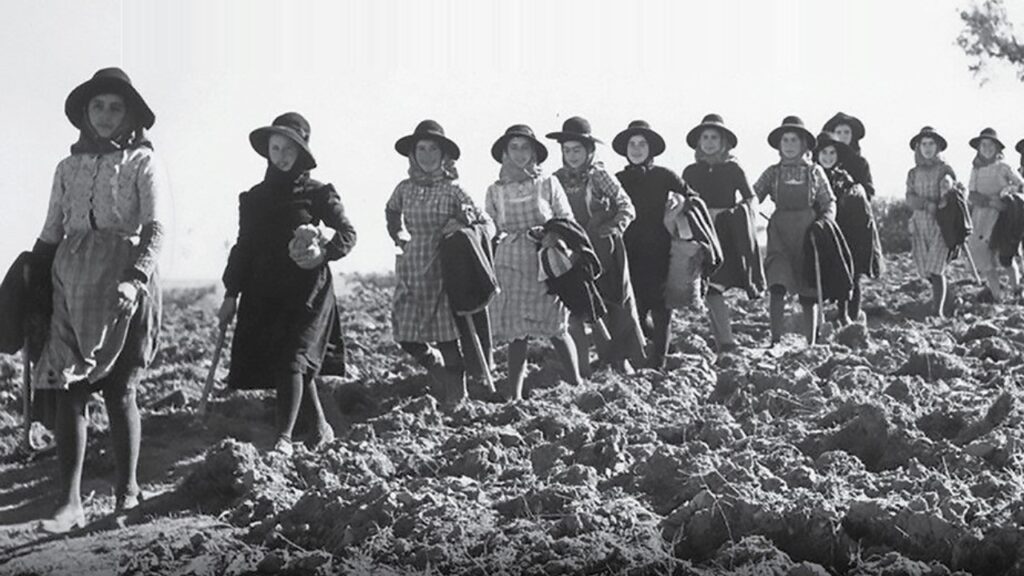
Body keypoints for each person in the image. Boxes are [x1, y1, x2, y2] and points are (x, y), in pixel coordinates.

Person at [31, 68, 164, 532]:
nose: (106, 116)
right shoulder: (66, 168)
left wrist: (136, 277)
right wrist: (33, 281)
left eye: (115, 107)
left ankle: (126, 493)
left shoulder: (143, 162)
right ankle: (69, 503)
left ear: (129, 115)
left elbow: (155, 228)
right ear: (85, 115)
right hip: (70, 281)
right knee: (69, 390)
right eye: (98, 107)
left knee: (120, 388)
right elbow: (51, 230)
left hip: (122, 283)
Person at [218, 112, 356, 456]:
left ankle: (283, 438)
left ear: (301, 153)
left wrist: (324, 252)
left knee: (293, 360)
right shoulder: (253, 198)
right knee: (289, 363)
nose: (280, 156)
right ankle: (321, 429)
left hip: (308, 292)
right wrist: (230, 294)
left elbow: (348, 234)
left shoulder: (318, 193)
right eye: (275, 147)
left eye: (288, 149)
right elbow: (244, 246)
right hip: (265, 293)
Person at [385, 120, 494, 404]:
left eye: (433, 149)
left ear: (444, 155)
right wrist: (398, 234)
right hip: (411, 268)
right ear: (412, 154)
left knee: (447, 339)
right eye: (421, 148)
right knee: (405, 334)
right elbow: (391, 210)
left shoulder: (453, 190)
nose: (427, 155)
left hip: (442, 270)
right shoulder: (404, 188)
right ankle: (434, 367)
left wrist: (461, 225)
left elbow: (487, 223)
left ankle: (457, 399)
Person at [485, 124, 581, 401]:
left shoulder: (548, 183)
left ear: (534, 152)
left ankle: (576, 386)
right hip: (510, 262)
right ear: (505, 152)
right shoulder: (495, 190)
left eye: (525, 147)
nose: (519, 153)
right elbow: (490, 224)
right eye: (513, 147)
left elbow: (567, 217)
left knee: (555, 326)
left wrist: (554, 233)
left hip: (545, 261)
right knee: (517, 334)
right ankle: (513, 396)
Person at [546, 116, 645, 375]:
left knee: (615, 306)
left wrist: (614, 227)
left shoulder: (599, 175)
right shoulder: (555, 180)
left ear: (589, 150)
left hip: (604, 250)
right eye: (567, 150)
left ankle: (619, 360)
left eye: (577, 150)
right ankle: (583, 369)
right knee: (577, 310)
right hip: (574, 252)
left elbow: (626, 205)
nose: (572, 155)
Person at [612, 120, 688, 369]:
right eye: (632, 144)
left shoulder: (664, 175)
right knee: (636, 307)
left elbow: (693, 199)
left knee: (661, 308)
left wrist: (679, 205)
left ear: (651, 148)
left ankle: (659, 363)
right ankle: (642, 353)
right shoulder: (617, 179)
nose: (636, 149)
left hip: (661, 249)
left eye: (642, 144)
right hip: (629, 251)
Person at [753, 116, 835, 346]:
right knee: (777, 284)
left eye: (793, 140)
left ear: (803, 145)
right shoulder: (772, 172)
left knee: (809, 287)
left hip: (807, 232)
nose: (788, 144)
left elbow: (829, 201)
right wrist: (744, 209)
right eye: (785, 140)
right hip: (779, 233)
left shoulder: (815, 172)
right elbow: (754, 196)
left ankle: (811, 341)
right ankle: (776, 339)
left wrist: (826, 222)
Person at [682, 114, 760, 352]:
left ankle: (726, 341)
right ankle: (722, 341)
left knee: (716, 285)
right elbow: (682, 200)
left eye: (714, 137)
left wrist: (743, 215)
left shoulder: (733, 169)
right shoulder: (690, 172)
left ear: (724, 141)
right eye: (704, 137)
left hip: (726, 232)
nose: (709, 142)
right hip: (700, 230)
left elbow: (751, 197)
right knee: (705, 287)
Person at [813, 132, 883, 324]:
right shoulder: (812, 176)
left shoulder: (844, 178)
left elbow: (858, 207)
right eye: (824, 153)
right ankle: (819, 319)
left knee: (850, 276)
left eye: (832, 153)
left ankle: (848, 316)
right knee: (821, 274)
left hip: (847, 234)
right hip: (822, 231)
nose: (828, 157)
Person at [965, 128, 1024, 302]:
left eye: (991, 145)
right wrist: (988, 202)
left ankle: (1017, 291)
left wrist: (1006, 195)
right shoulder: (975, 170)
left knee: (1006, 255)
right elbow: (972, 194)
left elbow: (1020, 185)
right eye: (984, 145)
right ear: (979, 148)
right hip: (982, 217)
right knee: (984, 258)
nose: (987, 148)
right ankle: (997, 296)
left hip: (1003, 217)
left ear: (997, 148)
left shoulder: (1004, 168)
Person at [905, 126, 958, 317]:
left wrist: (947, 191)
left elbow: (951, 186)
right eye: (924, 144)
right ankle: (946, 297)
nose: (927, 148)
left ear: (938, 147)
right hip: (920, 223)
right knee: (926, 269)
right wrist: (926, 205)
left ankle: (938, 312)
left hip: (940, 224)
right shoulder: (913, 173)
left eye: (931, 144)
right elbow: (909, 198)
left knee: (936, 268)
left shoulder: (944, 168)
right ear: (918, 147)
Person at [822, 112, 875, 200]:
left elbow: (868, 192)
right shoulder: (826, 160)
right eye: (838, 132)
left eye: (846, 132)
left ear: (852, 135)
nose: (843, 136)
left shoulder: (860, 163)